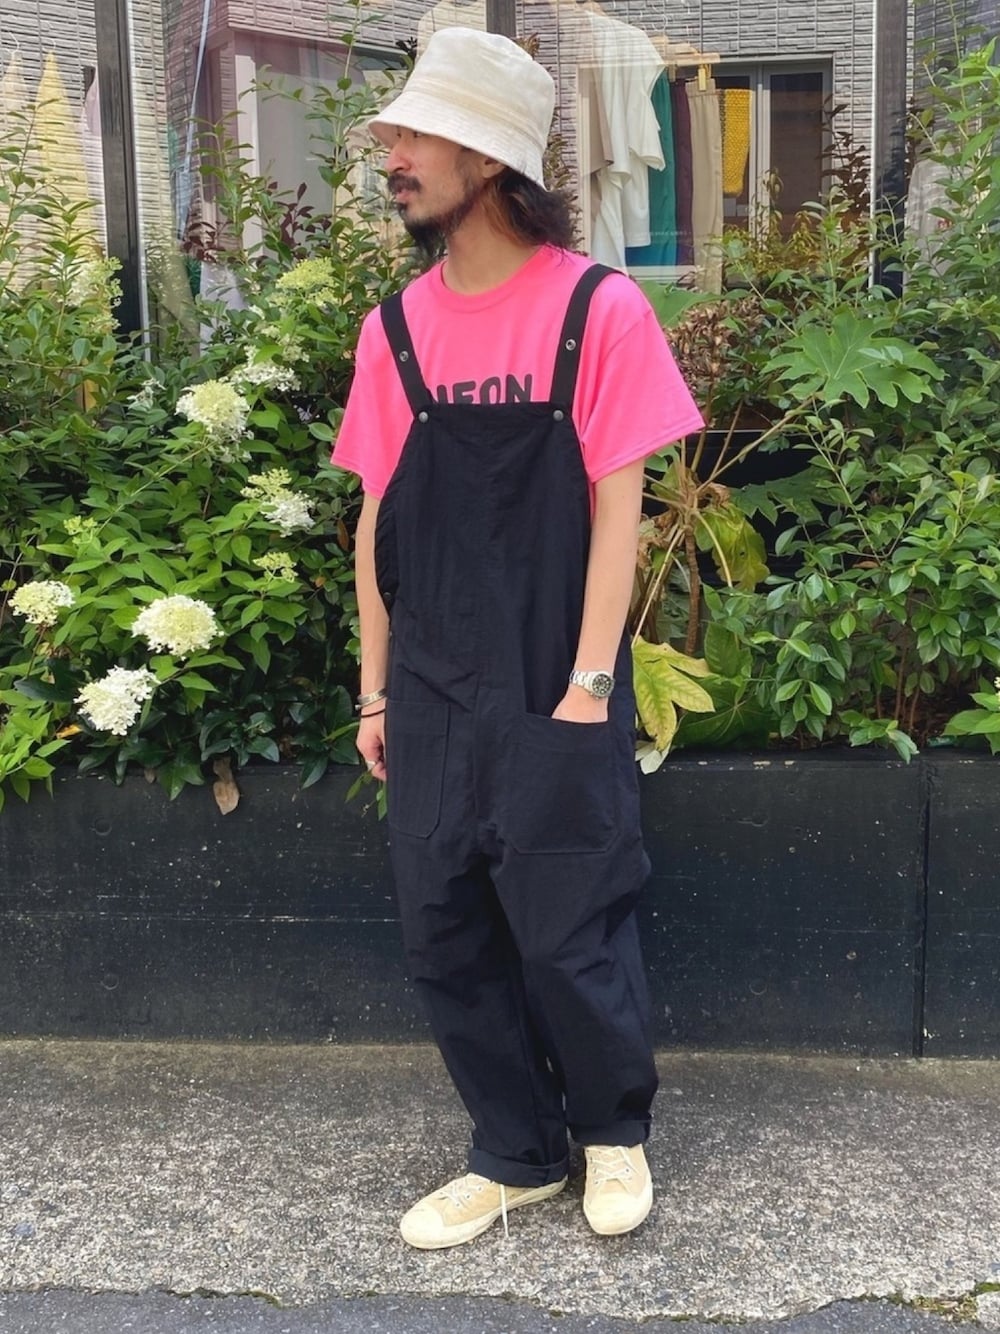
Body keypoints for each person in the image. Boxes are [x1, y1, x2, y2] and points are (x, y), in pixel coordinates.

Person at [331, 26, 704, 1249]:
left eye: (414, 134)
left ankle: (611, 1131)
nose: (391, 154)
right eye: (392, 133)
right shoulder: (393, 330)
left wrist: (590, 684)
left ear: (488, 158)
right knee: (443, 933)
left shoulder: (597, 310)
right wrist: (375, 691)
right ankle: (514, 1151)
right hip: (433, 688)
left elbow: (618, 512)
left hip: (556, 679)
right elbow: (376, 522)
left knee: (570, 925)